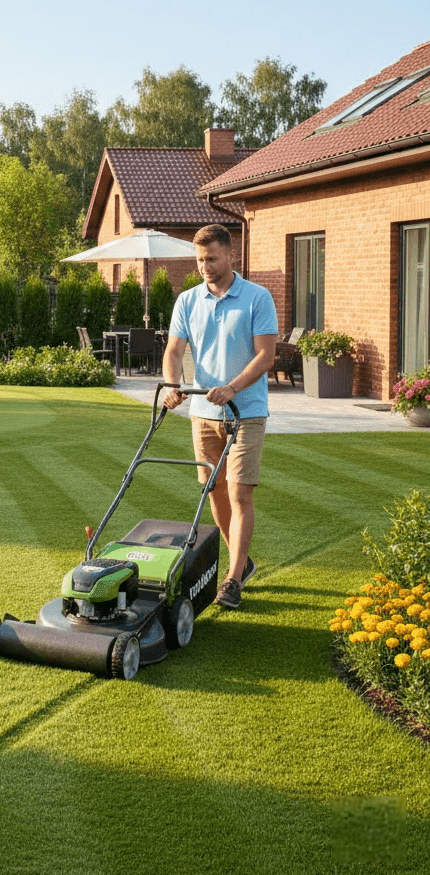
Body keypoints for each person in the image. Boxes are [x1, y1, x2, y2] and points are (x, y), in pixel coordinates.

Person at [162, 223, 278, 610]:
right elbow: (174, 351)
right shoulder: (188, 301)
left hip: (246, 411)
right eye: (199, 260)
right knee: (213, 490)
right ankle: (241, 565)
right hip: (202, 411)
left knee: (239, 491)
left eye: (211, 258)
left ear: (231, 255)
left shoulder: (257, 298)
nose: (205, 266)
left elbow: (266, 356)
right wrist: (173, 383)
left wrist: (233, 387)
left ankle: (231, 580)